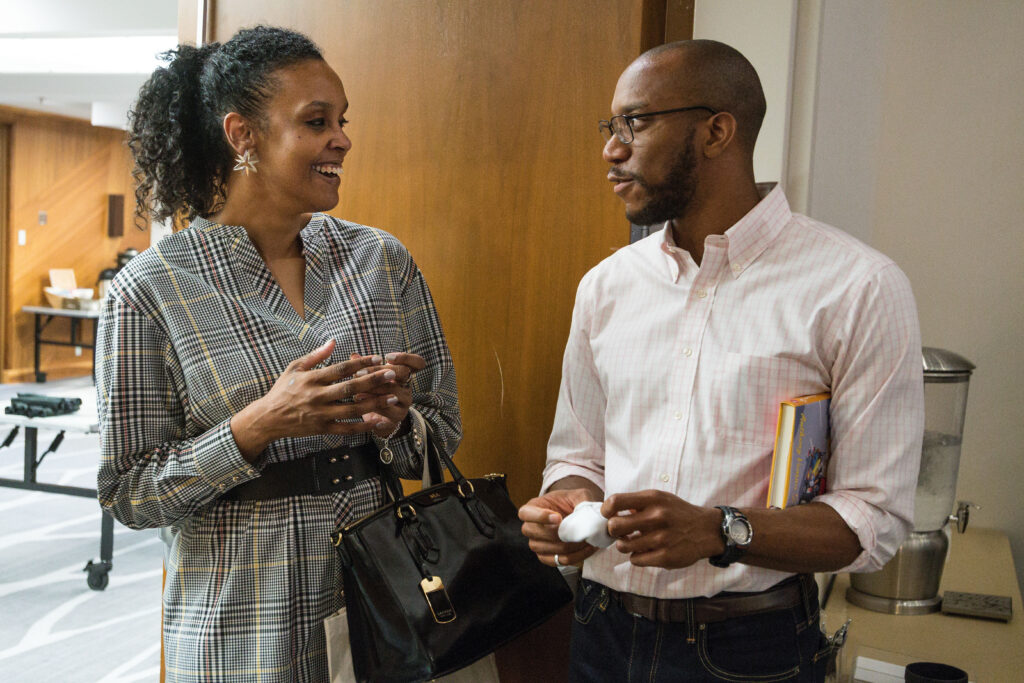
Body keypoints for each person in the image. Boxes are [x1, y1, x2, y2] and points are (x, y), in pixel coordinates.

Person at [519, 39, 923, 682]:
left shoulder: (857, 287)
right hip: (599, 634)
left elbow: (874, 519)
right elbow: (579, 454)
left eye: (635, 123)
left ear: (716, 131)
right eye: (610, 126)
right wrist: (564, 506)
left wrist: (720, 530)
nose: (611, 149)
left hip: (750, 649)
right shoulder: (606, 286)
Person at [96, 26, 460, 682]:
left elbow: (442, 433)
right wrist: (258, 424)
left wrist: (396, 419)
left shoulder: (382, 260)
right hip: (240, 621)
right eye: (317, 121)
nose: (342, 138)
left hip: (386, 602)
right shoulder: (149, 291)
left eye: (342, 121)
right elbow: (128, 492)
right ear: (243, 135)